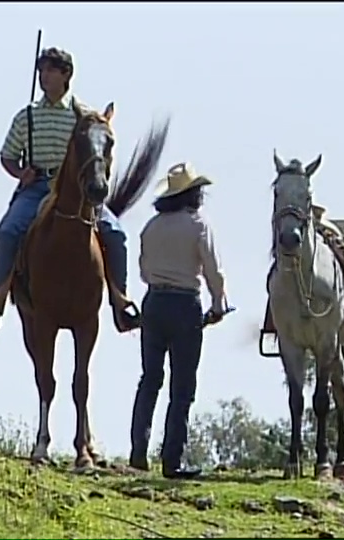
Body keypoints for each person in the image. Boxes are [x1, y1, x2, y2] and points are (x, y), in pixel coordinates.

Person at [0, 47, 140, 335]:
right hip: (37, 186)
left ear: (66, 74)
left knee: (115, 234)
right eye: (41, 71)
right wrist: (20, 172)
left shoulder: (83, 116)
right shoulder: (27, 116)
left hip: (75, 190)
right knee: (8, 231)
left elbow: (98, 149)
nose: (44, 76)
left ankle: (121, 303)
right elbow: (8, 155)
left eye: (50, 70)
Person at [129, 162, 228, 479]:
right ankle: (172, 460)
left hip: (154, 302)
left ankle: (138, 452)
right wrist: (218, 304)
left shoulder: (151, 227)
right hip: (185, 304)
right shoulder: (198, 225)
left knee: (150, 379)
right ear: (192, 195)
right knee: (182, 386)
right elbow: (213, 270)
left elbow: (144, 271)